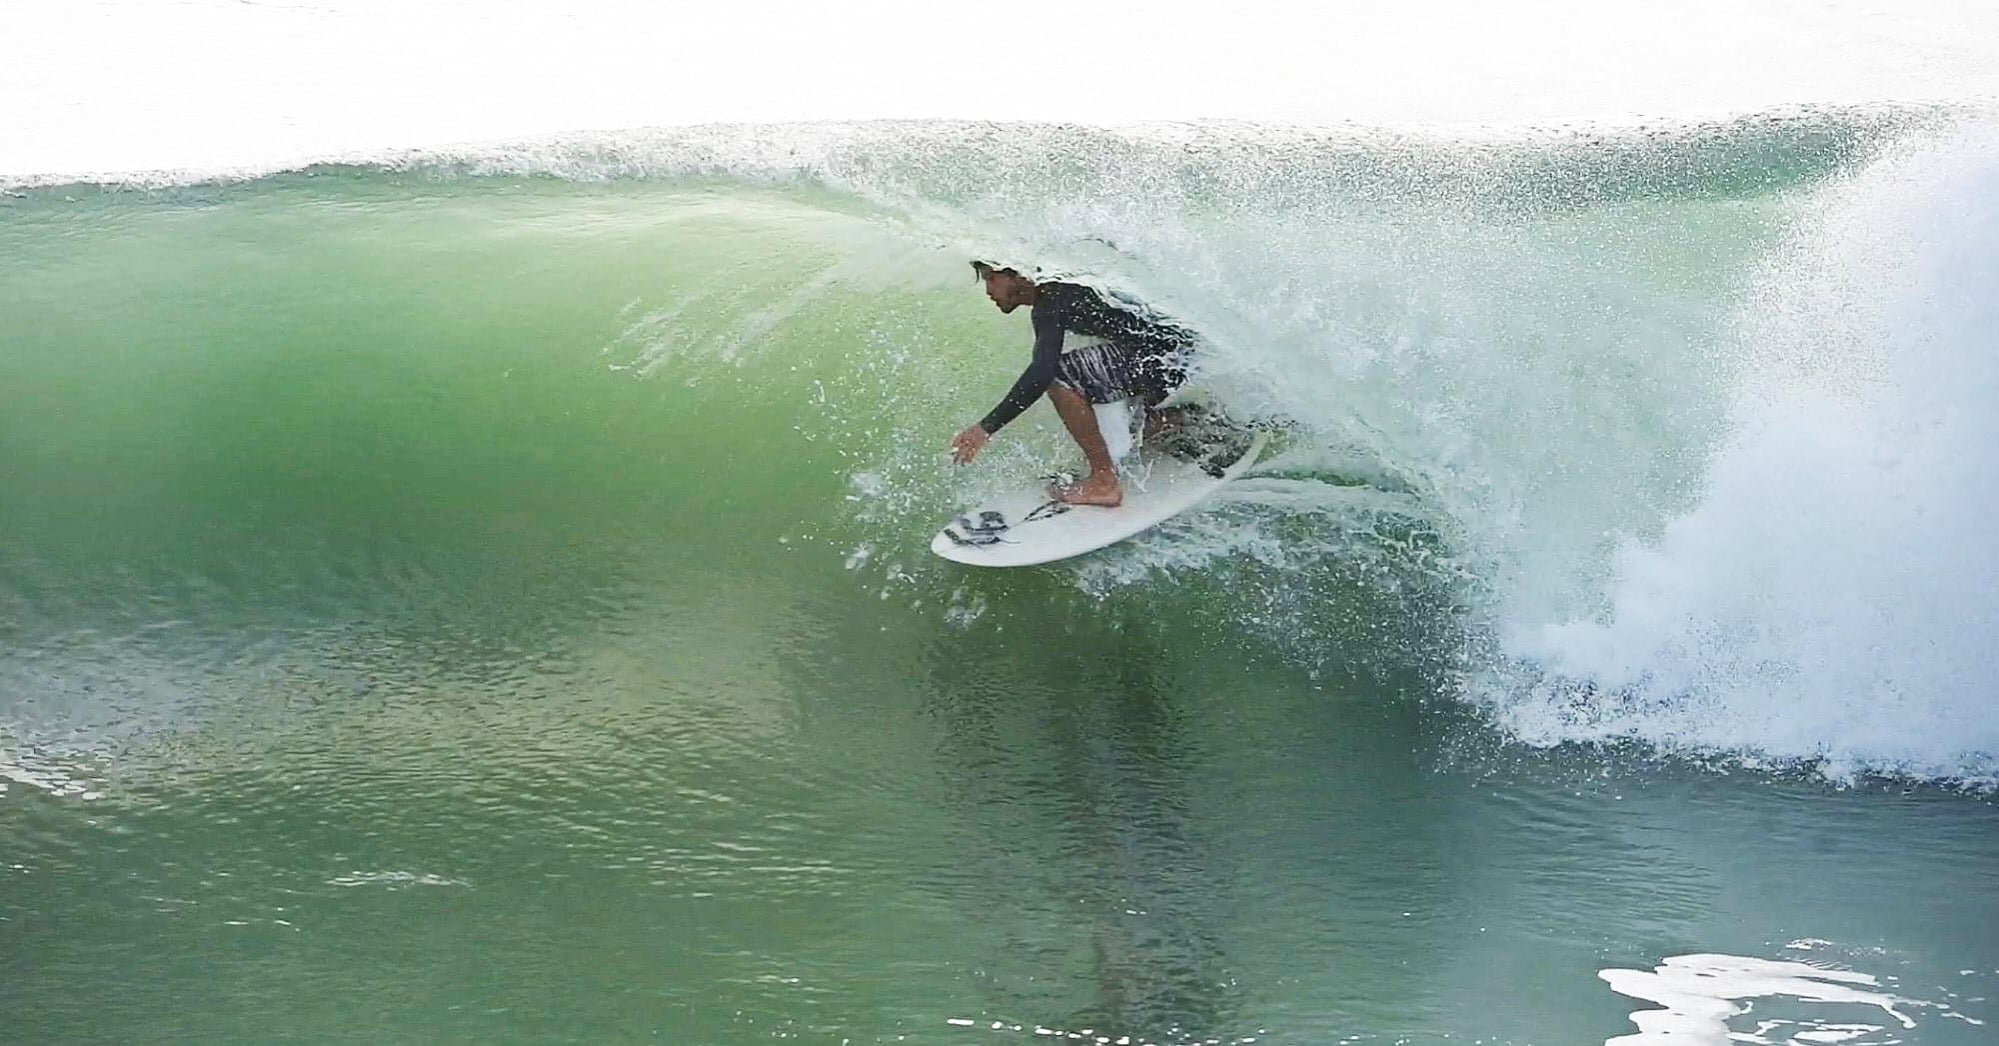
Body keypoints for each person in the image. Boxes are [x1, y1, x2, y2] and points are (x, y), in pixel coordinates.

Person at [950, 262, 1194, 507]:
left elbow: (1041, 373)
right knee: (1094, 371)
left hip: (1167, 360)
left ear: (1019, 274)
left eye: (992, 279)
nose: (988, 291)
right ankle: (1175, 420)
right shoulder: (1066, 286)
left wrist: (985, 428)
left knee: (1060, 375)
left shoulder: (1053, 299)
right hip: (1181, 355)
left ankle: (1104, 482)